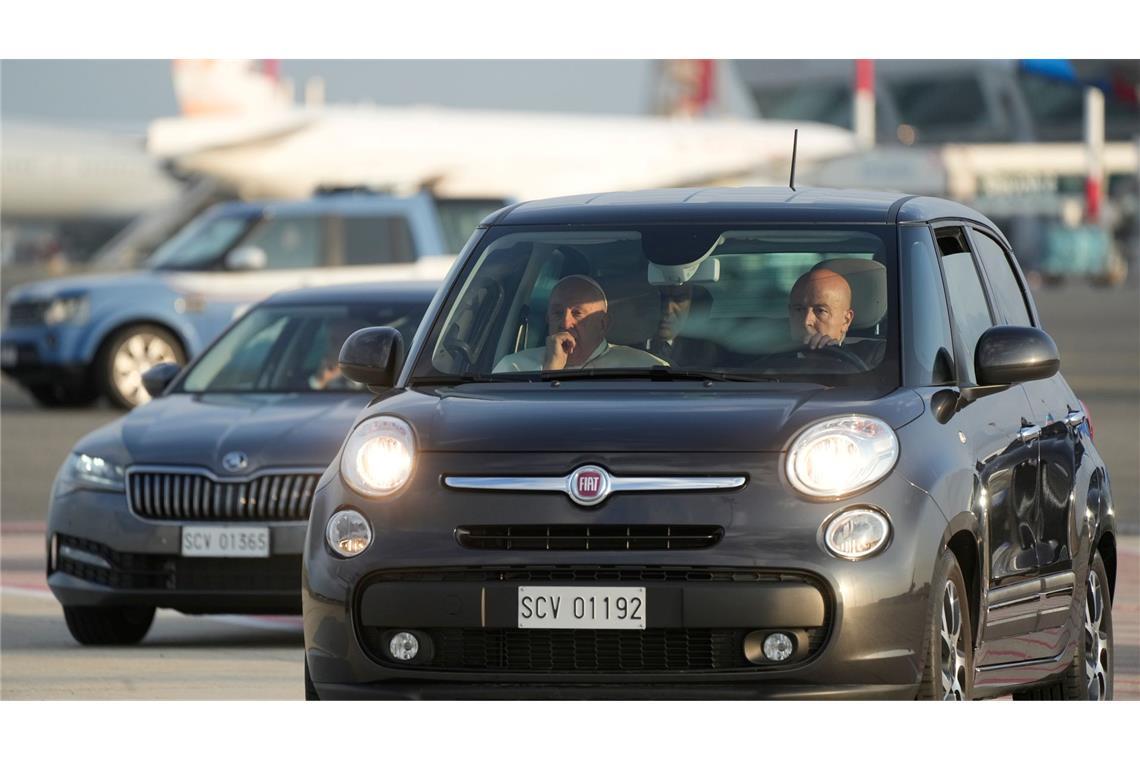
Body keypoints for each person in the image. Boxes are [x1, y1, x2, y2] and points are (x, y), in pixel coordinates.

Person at [494, 275, 664, 372]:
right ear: (547, 318)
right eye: (557, 313)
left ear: (603, 324)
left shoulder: (645, 368)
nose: (565, 323)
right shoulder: (514, 368)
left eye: (577, 313)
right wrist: (551, 371)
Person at [786, 267, 885, 367]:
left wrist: (833, 363)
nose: (806, 321)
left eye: (820, 311)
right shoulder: (772, 358)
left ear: (846, 320)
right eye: (798, 309)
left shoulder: (875, 357)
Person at [644, 284, 720, 366]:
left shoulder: (706, 352)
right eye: (661, 298)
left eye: (679, 299)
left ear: (692, 305)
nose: (668, 310)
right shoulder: (629, 346)